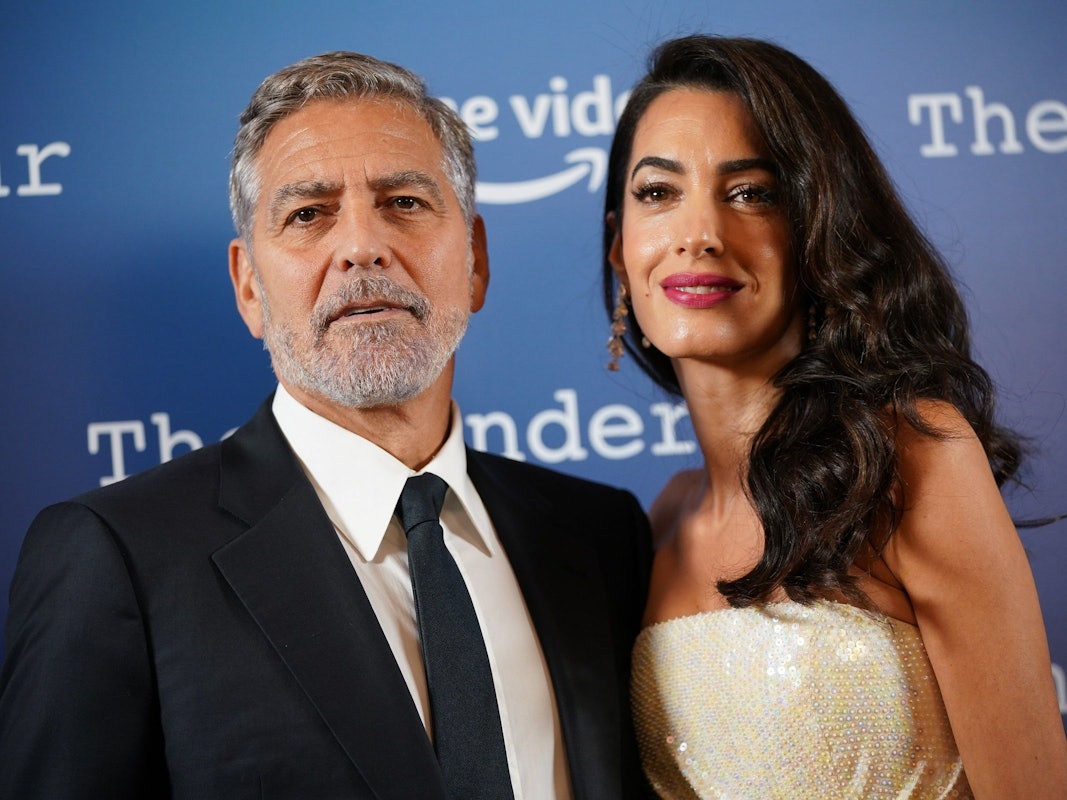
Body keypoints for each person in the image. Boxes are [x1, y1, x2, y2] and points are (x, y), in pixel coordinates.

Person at [0, 51, 653, 799]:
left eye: (404, 202)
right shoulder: (116, 558)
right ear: (249, 286)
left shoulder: (599, 536)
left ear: (474, 259)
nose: (360, 247)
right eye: (308, 214)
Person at [601, 34, 1067, 799]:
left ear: (818, 229)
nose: (698, 233)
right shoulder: (662, 522)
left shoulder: (910, 457)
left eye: (751, 192)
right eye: (657, 193)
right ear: (620, 249)